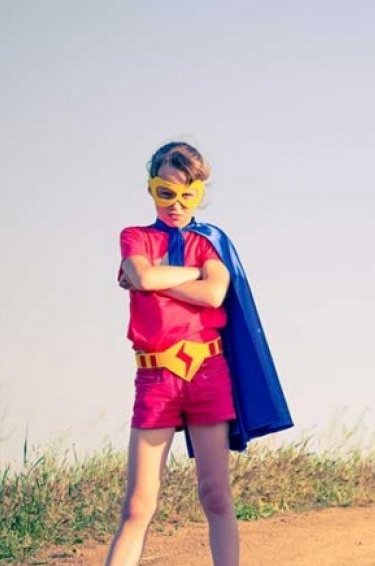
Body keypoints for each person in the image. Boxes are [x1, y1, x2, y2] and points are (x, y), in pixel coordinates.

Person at [107, 141, 292, 566]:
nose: (176, 204)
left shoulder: (211, 242)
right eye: (165, 192)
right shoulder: (135, 236)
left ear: (200, 194)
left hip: (207, 372)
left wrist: (158, 279)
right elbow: (138, 273)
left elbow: (213, 293)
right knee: (138, 504)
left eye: (187, 194)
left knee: (216, 495)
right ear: (151, 189)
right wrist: (151, 277)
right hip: (156, 376)